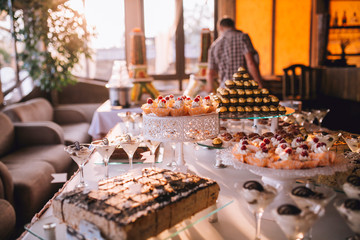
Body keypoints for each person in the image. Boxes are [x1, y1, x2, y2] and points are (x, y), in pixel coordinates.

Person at [205, 17, 263, 92]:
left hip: (225, 90)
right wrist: (260, 85)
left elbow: (210, 73)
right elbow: (251, 63)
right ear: (233, 26)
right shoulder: (243, 37)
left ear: (220, 28)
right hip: (244, 90)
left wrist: (210, 89)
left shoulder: (214, 45)